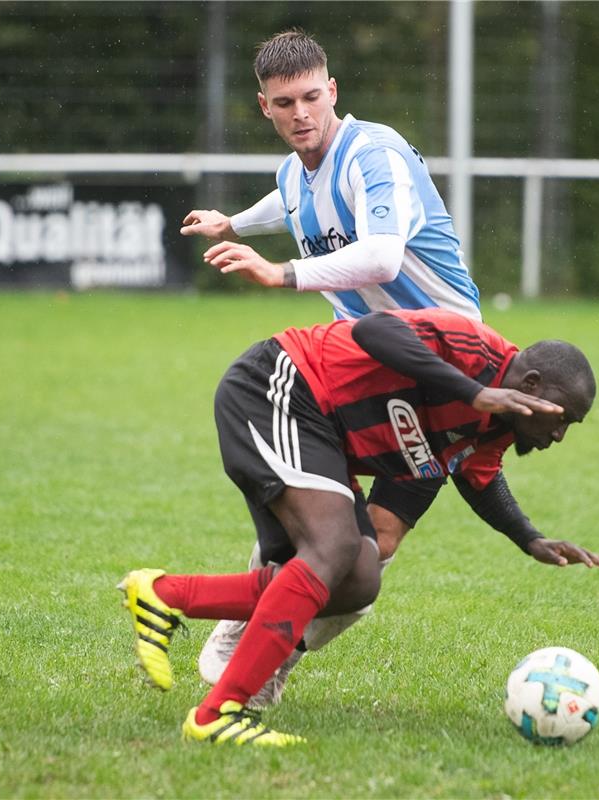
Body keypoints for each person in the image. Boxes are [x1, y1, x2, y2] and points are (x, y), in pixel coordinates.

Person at [117, 308, 599, 747]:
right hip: (280, 385)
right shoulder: (474, 346)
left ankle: (166, 594)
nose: (558, 434)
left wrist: (530, 539)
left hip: (321, 434)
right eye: (561, 416)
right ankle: (218, 713)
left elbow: (479, 478)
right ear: (529, 385)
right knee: (331, 550)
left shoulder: (496, 428)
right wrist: (474, 391)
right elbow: (375, 329)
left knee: (358, 578)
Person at [180, 30, 484, 699]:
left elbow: (379, 255)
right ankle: (261, 647)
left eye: (312, 96)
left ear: (333, 91)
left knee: (377, 546)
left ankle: (268, 630)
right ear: (265, 106)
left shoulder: (373, 155)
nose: (301, 113)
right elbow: (287, 203)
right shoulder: (294, 171)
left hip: (441, 369)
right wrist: (232, 223)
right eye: (285, 102)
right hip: (359, 372)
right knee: (319, 526)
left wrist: (280, 272)